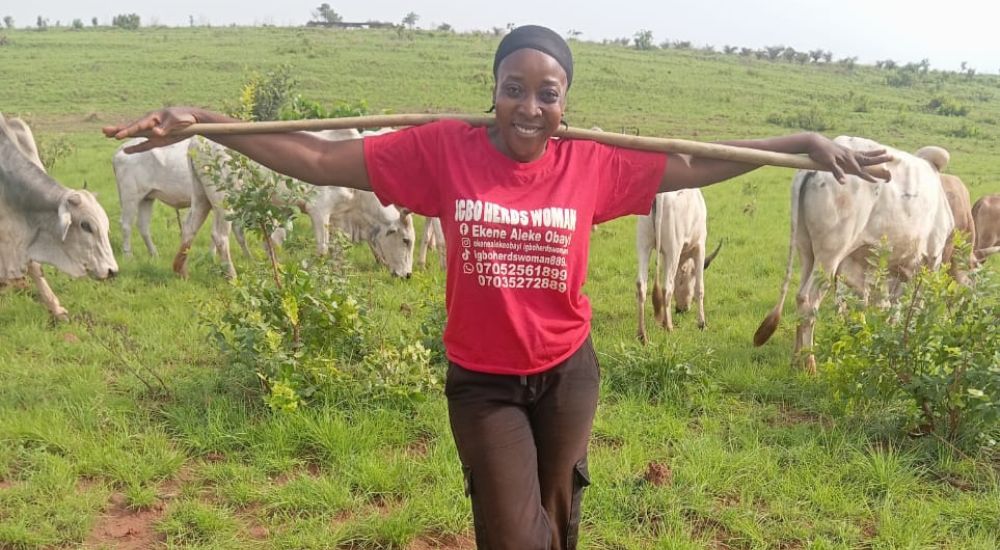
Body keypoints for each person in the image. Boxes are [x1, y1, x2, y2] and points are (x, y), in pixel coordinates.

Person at [104, 24, 889, 550]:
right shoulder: (441, 152)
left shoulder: (593, 161)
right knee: (513, 535)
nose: (531, 105)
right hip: (482, 383)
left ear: (564, 102)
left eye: (548, 93)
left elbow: (695, 163)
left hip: (568, 372)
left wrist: (799, 144)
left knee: (559, 513)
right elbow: (314, 160)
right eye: (516, 87)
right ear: (494, 89)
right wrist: (205, 119)